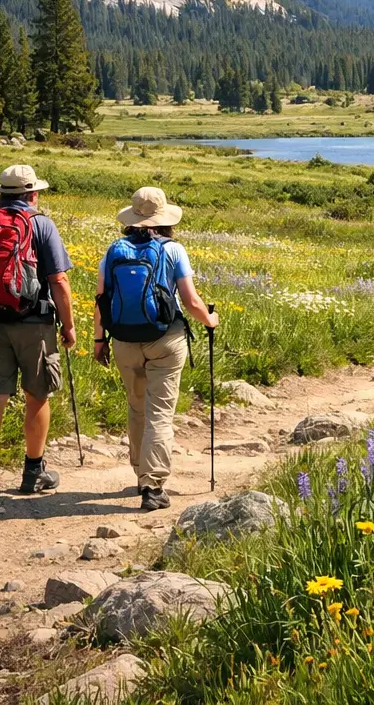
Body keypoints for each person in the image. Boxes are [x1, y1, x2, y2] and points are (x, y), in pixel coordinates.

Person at [0, 164, 76, 503]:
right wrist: (68, 325)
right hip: (33, 324)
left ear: (1, 193)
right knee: (37, 396)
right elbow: (59, 281)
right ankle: (33, 471)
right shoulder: (41, 225)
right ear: (32, 194)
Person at [92, 187, 218, 511]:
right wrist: (210, 320)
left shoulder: (114, 250)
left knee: (137, 409)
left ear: (132, 218)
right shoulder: (174, 250)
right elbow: (190, 300)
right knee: (160, 413)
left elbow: (101, 300)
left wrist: (98, 340)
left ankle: (139, 473)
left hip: (123, 340)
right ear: (165, 219)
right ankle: (153, 484)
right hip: (165, 340)